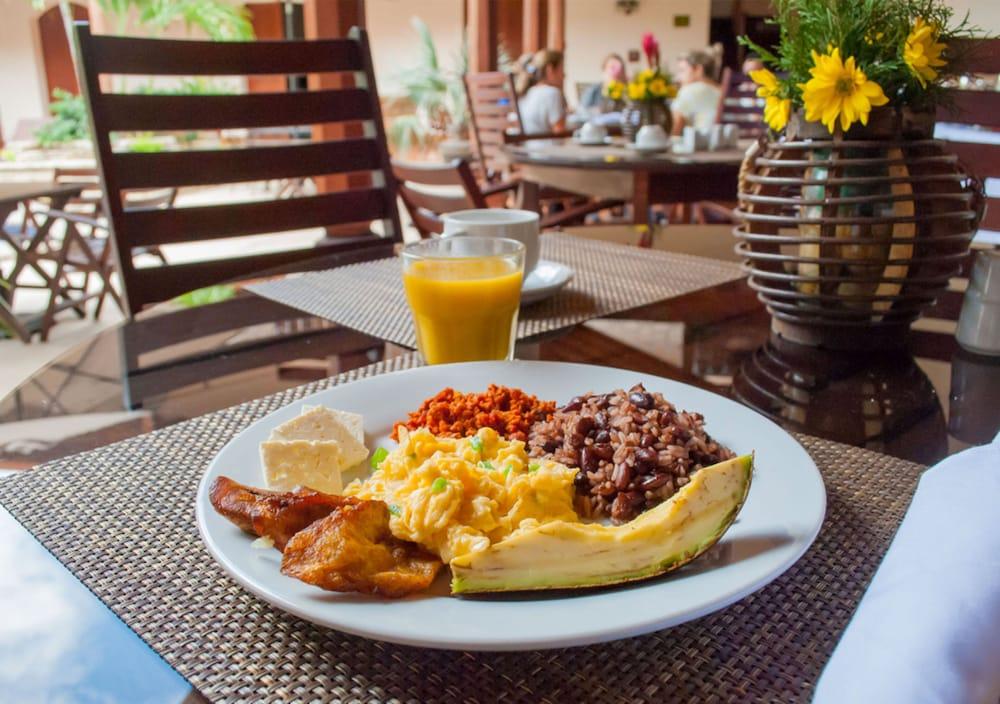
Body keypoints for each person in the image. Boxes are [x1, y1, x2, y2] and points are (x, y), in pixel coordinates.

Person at [515, 49, 567, 135]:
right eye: (561, 69)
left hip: (525, 146)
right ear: (550, 69)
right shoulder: (552, 93)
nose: (564, 75)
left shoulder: (526, 92)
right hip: (546, 147)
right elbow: (559, 133)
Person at [670, 50, 722, 135]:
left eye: (682, 70)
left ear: (698, 69)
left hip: (701, 145)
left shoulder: (689, 90)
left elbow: (675, 129)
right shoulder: (723, 91)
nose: (678, 77)